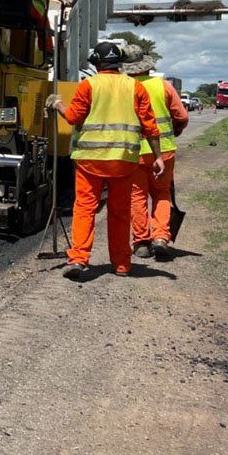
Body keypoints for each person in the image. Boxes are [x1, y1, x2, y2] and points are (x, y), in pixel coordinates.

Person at [46, 42, 164, 279]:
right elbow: (150, 126)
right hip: (124, 161)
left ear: (96, 63)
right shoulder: (135, 88)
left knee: (85, 209)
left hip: (91, 160)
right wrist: (158, 157)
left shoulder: (88, 85)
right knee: (120, 212)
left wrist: (56, 103)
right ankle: (121, 265)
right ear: (120, 62)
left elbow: (72, 117)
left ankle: (78, 259)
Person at [123, 55, 188, 259]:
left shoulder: (124, 87)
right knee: (161, 194)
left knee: (137, 196)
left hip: (134, 153)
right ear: (147, 66)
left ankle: (141, 242)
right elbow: (182, 117)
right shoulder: (164, 86)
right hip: (164, 151)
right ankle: (160, 237)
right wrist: (175, 130)